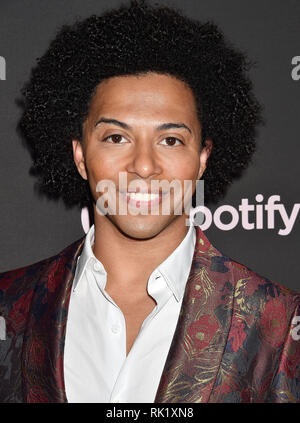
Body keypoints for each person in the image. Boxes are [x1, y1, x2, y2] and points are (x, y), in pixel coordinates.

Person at [0, 0, 299, 403]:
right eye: (116, 137)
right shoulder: (9, 305)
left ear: (202, 158)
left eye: (170, 140)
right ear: (79, 155)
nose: (143, 165)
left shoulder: (278, 323)